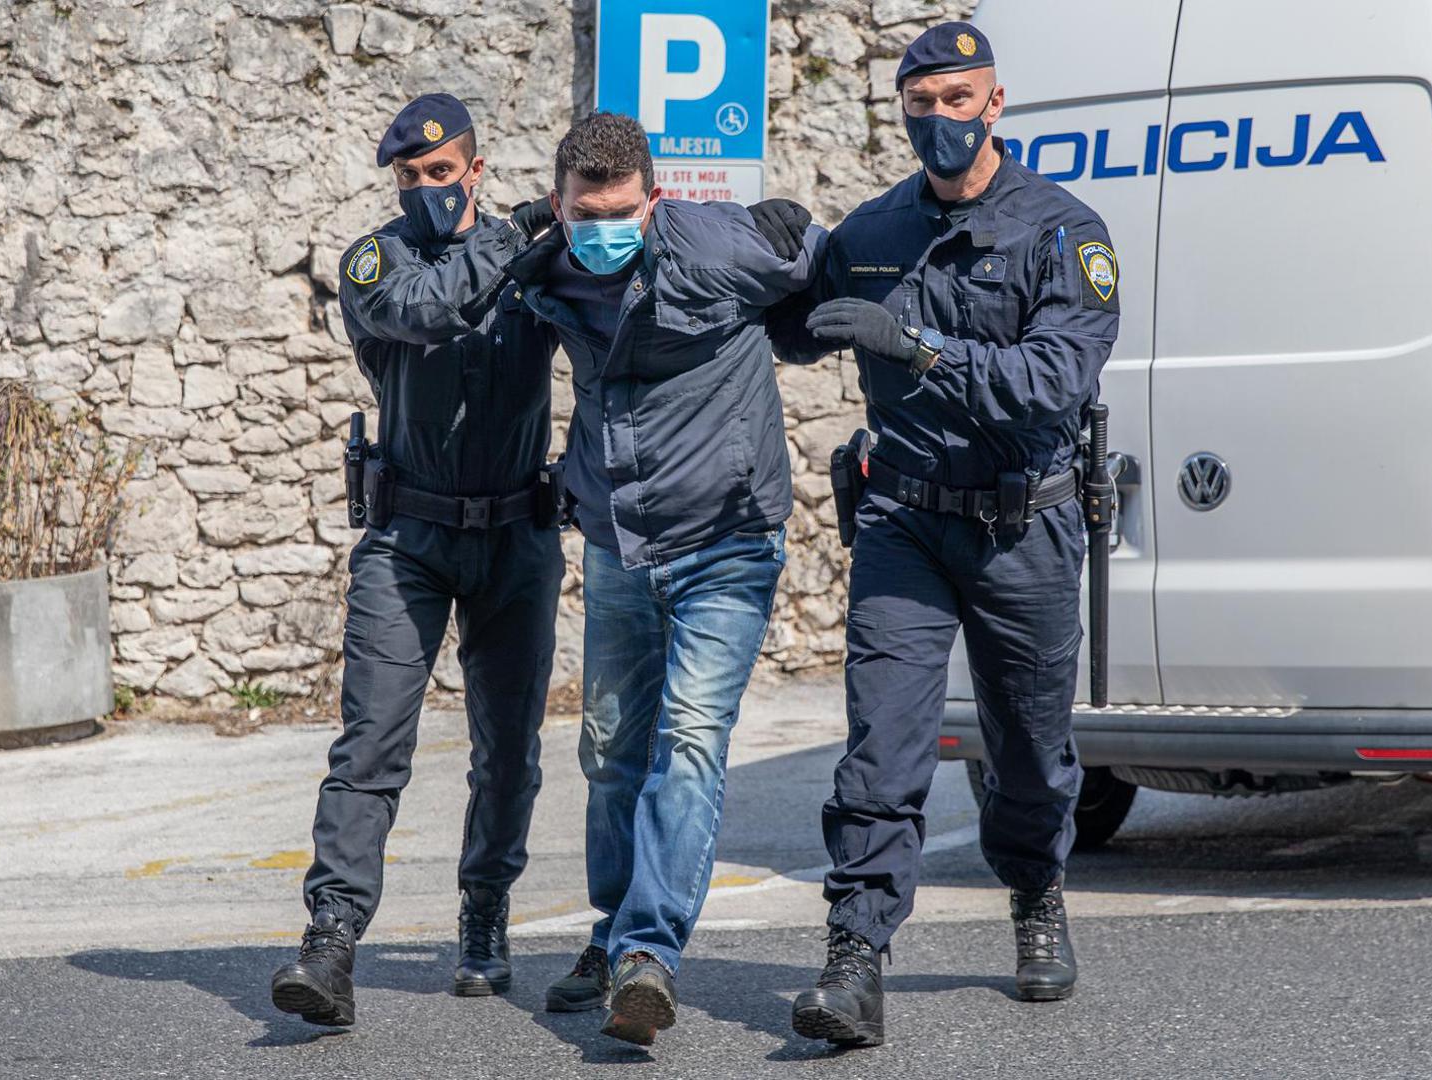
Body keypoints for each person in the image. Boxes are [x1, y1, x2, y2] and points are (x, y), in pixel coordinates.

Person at [768, 21, 1121, 1047]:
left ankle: (1035, 890)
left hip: (1025, 525)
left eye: (956, 100)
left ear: (994, 103)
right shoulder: (872, 230)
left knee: (1030, 752)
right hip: (905, 521)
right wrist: (773, 256)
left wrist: (917, 347)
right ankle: (854, 956)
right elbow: (797, 329)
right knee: (882, 744)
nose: (938, 119)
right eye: (919, 104)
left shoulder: (1063, 231)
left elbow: (1053, 380)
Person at [500, 111, 822, 1046]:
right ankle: (611, 937)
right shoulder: (545, 263)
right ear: (558, 204)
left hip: (727, 541)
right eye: (585, 213)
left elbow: (822, 263)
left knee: (687, 740)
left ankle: (648, 955)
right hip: (616, 542)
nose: (604, 229)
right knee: (609, 751)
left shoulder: (717, 247)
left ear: (655, 199)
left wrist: (798, 256)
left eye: (622, 213)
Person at [269, 93, 563, 1027]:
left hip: (517, 534)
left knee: (508, 751)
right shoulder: (376, 261)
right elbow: (426, 313)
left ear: (476, 168)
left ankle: (484, 911)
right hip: (410, 541)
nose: (428, 187)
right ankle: (331, 938)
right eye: (412, 175)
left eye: (443, 171)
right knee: (372, 745)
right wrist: (513, 234)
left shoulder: (536, 257)